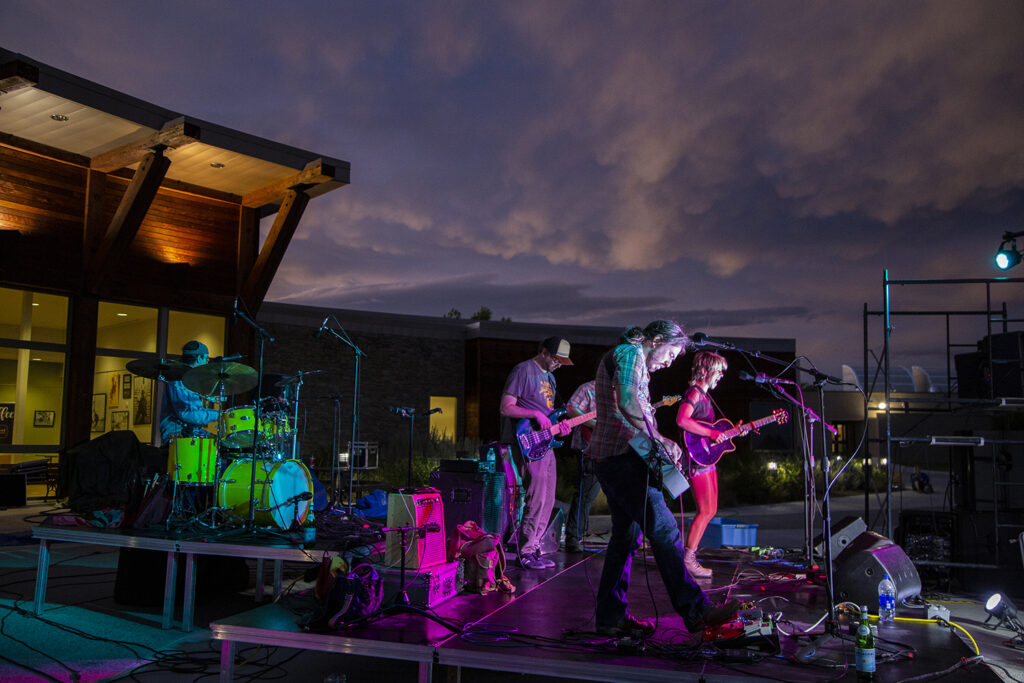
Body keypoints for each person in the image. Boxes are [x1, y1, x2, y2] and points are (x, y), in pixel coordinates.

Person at [590, 321, 739, 636]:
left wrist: (658, 447)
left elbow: (633, 412)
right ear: (656, 340)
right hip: (621, 461)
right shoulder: (630, 353)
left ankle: (610, 618)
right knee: (664, 529)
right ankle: (697, 612)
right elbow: (627, 403)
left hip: (616, 458)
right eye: (671, 353)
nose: (671, 362)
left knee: (624, 540)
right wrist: (659, 439)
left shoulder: (634, 361)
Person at [500, 336, 573, 570]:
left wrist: (559, 427)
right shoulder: (523, 370)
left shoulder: (550, 378)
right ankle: (526, 550)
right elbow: (506, 407)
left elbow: (549, 413)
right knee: (536, 497)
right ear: (544, 352)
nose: (558, 364)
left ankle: (535, 547)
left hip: (546, 443)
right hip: (527, 442)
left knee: (548, 498)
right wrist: (534, 414)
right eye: (555, 359)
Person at [675, 351, 729, 578]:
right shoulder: (694, 393)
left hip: (707, 459)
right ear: (705, 371)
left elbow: (709, 433)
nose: (721, 376)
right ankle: (688, 559)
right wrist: (710, 432)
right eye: (718, 371)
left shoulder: (706, 397)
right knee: (705, 510)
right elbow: (682, 420)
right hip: (697, 462)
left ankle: (689, 556)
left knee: (711, 510)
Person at [159, 340, 220, 445]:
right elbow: (186, 413)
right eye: (206, 358)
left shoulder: (191, 378)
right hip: (177, 434)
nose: (207, 362)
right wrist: (219, 415)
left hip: (191, 432)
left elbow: (193, 410)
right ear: (198, 358)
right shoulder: (179, 378)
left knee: (223, 444)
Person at [565, 380, 600, 553]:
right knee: (585, 494)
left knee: (592, 494)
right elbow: (571, 408)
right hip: (588, 447)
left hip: (608, 448)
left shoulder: (619, 391)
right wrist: (594, 423)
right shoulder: (588, 389)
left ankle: (580, 531)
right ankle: (573, 536)